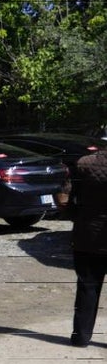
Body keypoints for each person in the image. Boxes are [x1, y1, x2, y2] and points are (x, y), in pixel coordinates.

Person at [70, 146, 107, 347]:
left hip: (88, 236)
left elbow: (72, 198)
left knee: (87, 287)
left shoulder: (84, 163)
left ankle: (81, 337)